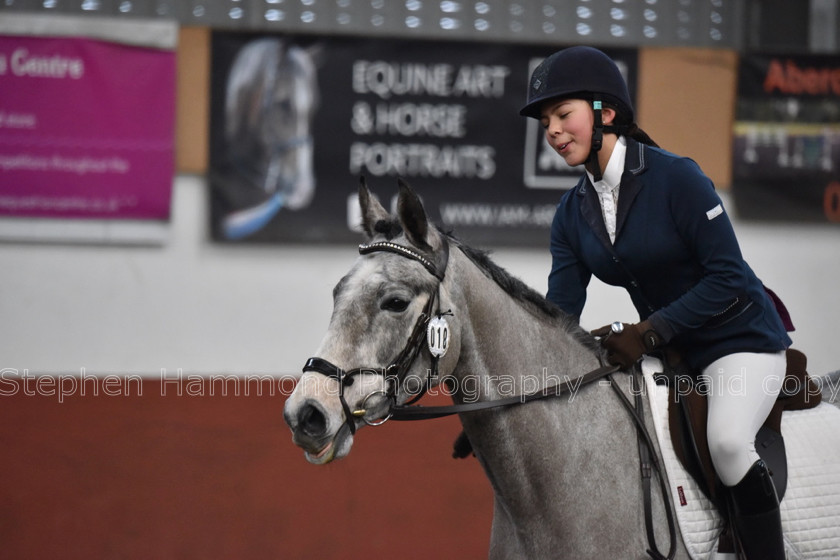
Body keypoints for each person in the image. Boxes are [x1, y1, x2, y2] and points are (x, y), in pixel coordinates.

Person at [520, 46, 793, 559]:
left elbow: (729, 277)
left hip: (740, 341)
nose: (552, 131)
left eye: (562, 115)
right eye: (545, 122)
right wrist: (519, 402)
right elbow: (559, 314)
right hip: (672, 351)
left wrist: (648, 331)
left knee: (729, 444)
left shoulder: (677, 178)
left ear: (605, 112)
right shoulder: (570, 213)